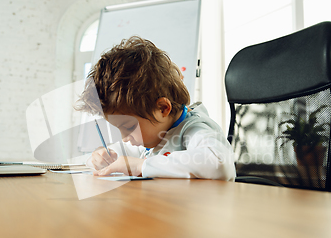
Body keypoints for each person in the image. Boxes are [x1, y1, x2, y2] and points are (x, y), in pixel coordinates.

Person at [74, 36, 235, 181]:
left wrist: (140, 166)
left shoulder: (194, 129)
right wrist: (99, 157)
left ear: (163, 108)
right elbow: (120, 156)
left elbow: (219, 164)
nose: (124, 138)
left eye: (129, 127)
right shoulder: (153, 137)